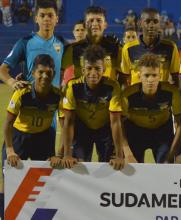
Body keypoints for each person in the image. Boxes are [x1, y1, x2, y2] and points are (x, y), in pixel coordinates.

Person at [1, 54, 63, 219]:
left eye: (48, 73)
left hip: (44, 138)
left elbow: (65, 127)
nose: (44, 76)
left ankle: (40, 215)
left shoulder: (58, 95)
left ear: (54, 73)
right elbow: (7, 124)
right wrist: (10, 150)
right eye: (40, 72)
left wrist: (59, 154)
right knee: (8, 177)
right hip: (18, 137)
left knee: (45, 179)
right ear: (33, 73)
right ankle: (4, 214)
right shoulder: (22, 93)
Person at [62, 45, 125, 170]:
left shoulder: (113, 87)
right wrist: (67, 154)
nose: (93, 73)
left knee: (110, 166)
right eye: (89, 68)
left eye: (97, 68)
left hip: (105, 130)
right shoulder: (73, 87)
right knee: (78, 165)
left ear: (104, 69)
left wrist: (119, 155)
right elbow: (69, 122)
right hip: (82, 130)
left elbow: (115, 122)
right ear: (83, 70)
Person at [122, 53, 181, 163]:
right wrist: (127, 152)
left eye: (154, 75)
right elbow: (119, 124)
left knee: (164, 169)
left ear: (160, 75)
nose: (150, 80)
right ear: (139, 76)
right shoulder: (128, 95)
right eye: (146, 75)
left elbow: (180, 124)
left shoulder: (172, 92)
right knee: (134, 170)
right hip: (135, 133)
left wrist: (172, 152)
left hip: (162, 133)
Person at [0, 0, 64, 89]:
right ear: (36, 19)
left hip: (54, 101)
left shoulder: (62, 44)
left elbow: (64, 71)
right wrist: (12, 82)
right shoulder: (25, 42)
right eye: (42, 15)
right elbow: (2, 69)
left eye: (50, 15)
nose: (46, 19)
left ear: (57, 19)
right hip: (31, 100)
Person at [62, 6, 128, 86]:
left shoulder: (115, 47)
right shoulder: (73, 49)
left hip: (108, 96)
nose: (95, 24)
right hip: (81, 96)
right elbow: (60, 74)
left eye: (99, 20)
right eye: (91, 21)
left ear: (105, 25)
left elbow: (123, 76)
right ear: (85, 25)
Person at [121, 8, 180, 86]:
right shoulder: (128, 48)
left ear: (160, 24)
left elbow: (175, 78)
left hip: (162, 97)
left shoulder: (171, 47)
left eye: (155, 22)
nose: (151, 25)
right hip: (136, 97)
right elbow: (125, 79)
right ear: (140, 23)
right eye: (147, 21)